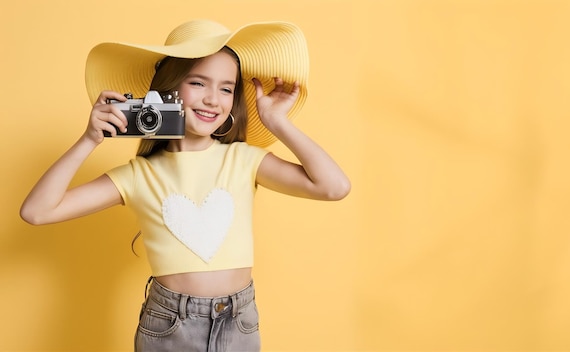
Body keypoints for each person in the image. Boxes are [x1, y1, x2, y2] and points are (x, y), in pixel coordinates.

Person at [20, 19, 350, 351]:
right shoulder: (139, 174)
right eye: (198, 83)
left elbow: (334, 187)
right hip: (169, 325)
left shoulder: (244, 160)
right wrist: (89, 140)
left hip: (240, 321)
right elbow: (37, 211)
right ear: (169, 88)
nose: (213, 99)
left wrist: (278, 122)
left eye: (226, 88)